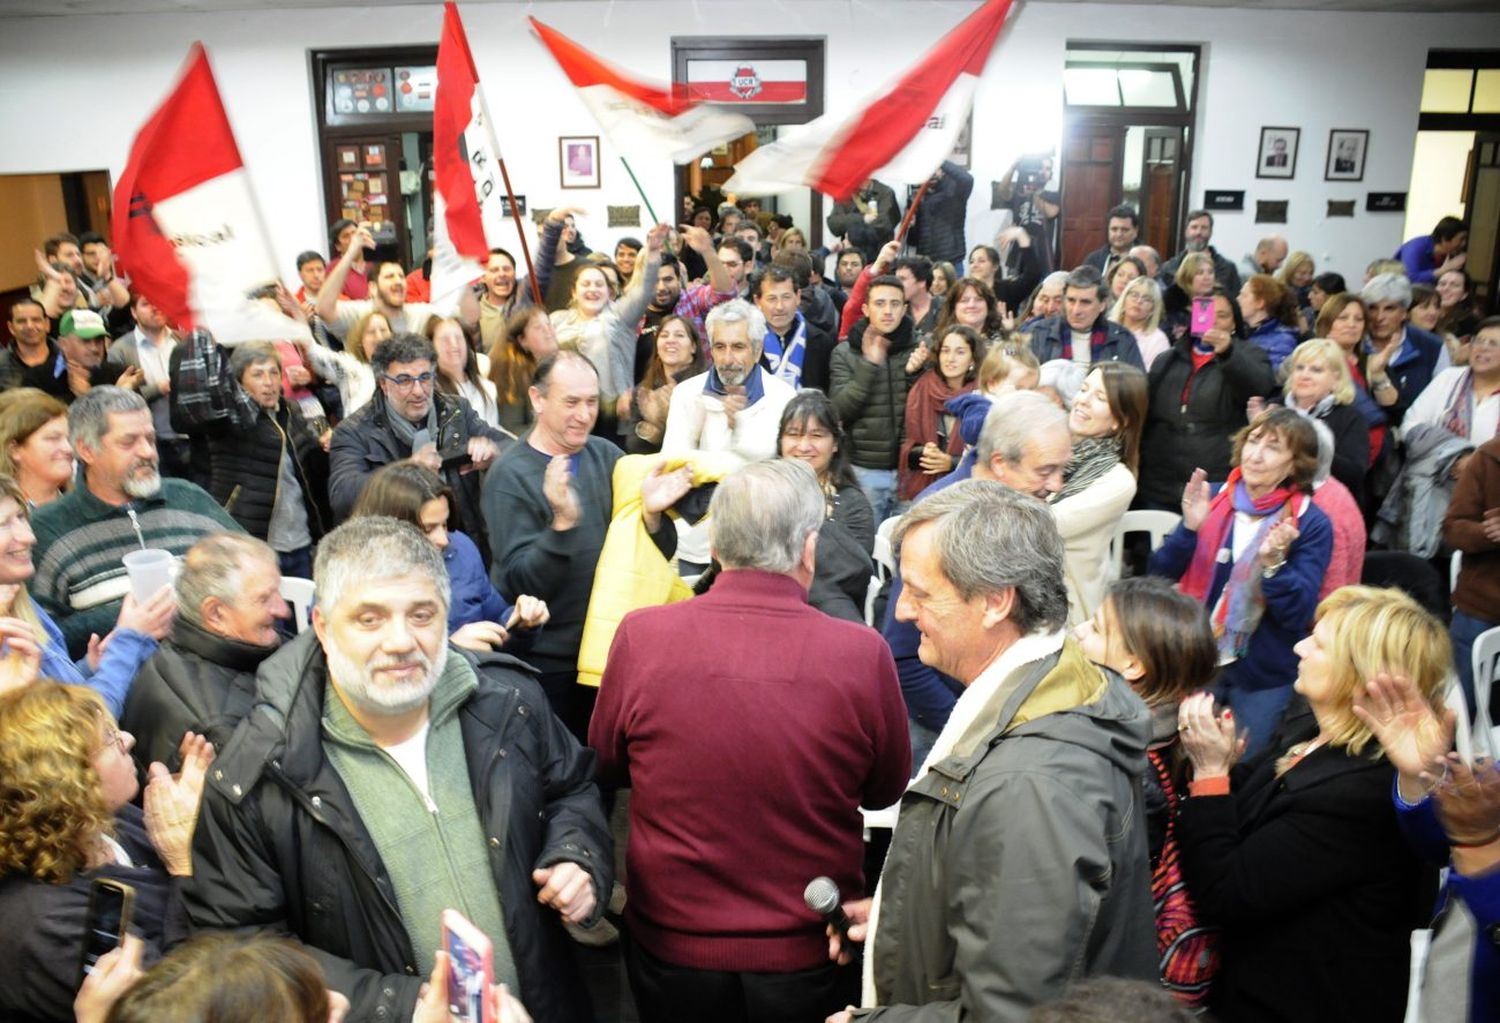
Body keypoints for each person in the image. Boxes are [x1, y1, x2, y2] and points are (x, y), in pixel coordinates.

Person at [181, 517, 611, 1023]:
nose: (402, 640)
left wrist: (576, 856)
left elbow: (572, 787)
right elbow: (242, 947)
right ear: (321, 625)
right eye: (370, 619)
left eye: (422, 615)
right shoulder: (257, 775)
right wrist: (402, 1007)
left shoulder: (509, 702)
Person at [592, 459, 909, 1023]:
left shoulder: (643, 637)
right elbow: (884, 789)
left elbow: (609, 763)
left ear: (715, 544)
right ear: (809, 549)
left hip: (673, 943)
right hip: (807, 946)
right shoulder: (860, 654)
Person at [831, 480, 1156, 1022]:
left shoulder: (1029, 787)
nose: (903, 612)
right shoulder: (1048, 685)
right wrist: (903, 916)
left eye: (919, 591)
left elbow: (1014, 1012)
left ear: (994, 602)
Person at [1174, 585, 1445, 1022]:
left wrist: (1209, 775)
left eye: (1318, 643)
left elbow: (1226, 891)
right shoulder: (1315, 733)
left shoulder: (1358, 792)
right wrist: (1222, 765)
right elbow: (1253, 800)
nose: (1300, 646)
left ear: (1358, 674)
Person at [482, 351, 690, 740]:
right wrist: (561, 524)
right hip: (552, 665)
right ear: (537, 399)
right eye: (571, 402)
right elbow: (520, 584)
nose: (584, 415)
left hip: (612, 653)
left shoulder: (608, 456)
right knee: (565, 776)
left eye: (592, 402)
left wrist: (651, 516)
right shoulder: (510, 476)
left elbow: (656, 553)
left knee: (609, 768)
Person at [881, 392, 1073, 793]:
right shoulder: (940, 524)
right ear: (1000, 463)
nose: (1056, 485)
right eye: (1045, 470)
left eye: (1062, 470)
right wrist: (973, 730)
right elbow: (902, 656)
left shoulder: (1017, 508)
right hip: (943, 730)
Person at [0, 683, 211, 1022]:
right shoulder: (44, 926)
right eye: (110, 740)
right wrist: (183, 862)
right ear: (70, 782)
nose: (127, 739)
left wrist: (199, 810)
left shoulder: (104, 822)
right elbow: (177, 1004)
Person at [1150, 408, 1333, 754]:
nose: (1256, 454)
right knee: (1180, 755)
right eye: (1253, 440)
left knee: (1243, 761)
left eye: (1273, 447)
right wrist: (1188, 530)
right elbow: (1159, 575)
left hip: (1261, 670)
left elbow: (1297, 613)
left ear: (1295, 464)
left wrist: (1274, 565)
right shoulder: (1215, 497)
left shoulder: (1309, 522)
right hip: (1196, 655)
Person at [1073, 576, 1220, 1006]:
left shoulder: (1127, 767)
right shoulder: (1174, 734)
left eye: (1098, 628)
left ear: (1134, 666)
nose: (1080, 630)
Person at [31, 387, 240, 659]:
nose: (147, 452)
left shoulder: (189, 499)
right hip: (120, 691)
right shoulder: (48, 530)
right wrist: (126, 616)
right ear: (86, 450)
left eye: (150, 439)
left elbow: (255, 570)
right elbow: (43, 640)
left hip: (218, 671)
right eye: (128, 442)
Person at [328, 333, 507, 556]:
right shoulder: (354, 431)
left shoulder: (456, 411)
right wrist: (407, 470)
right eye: (404, 380)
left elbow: (512, 448)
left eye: (425, 377)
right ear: (383, 383)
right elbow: (342, 495)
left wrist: (493, 452)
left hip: (462, 545)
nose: (419, 391)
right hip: (395, 555)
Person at [120, 532, 288, 770]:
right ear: (216, 613)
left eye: (278, 592)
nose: (283, 609)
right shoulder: (221, 728)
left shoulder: (170, 652)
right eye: (264, 599)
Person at [171, 336, 331, 579]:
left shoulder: (291, 410)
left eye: (274, 373)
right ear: (239, 382)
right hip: (253, 545)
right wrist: (200, 337)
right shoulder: (230, 418)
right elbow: (195, 407)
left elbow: (307, 469)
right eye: (257, 375)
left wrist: (327, 446)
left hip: (300, 541)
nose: (268, 383)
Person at [351, 460, 549, 655]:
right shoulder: (355, 578)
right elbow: (364, 666)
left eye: (445, 524)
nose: (443, 539)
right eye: (428, 529)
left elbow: (494, 616)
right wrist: (450, 651)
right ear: (387, 530)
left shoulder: (461, 548)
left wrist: (520, 622)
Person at [660, 300, 797, 572]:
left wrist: (740, 427)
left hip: (761, 545)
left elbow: (779, 475)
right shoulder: (688, 394)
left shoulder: (783, 397)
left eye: (738, 347)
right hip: (695, 545)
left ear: (757, 350)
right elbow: (672, 465)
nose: (727, 359)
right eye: (720, 347)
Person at [1137, 287, 1276, 512]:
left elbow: (1258, 388)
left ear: (1234, 323)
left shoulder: (1250, 354)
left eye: (1223, 316)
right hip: (1159, 482)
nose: (1214, 321)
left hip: (1212, 482)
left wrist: (1228, 353)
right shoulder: (1168, 358)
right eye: (1208, 313)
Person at [1052, 363, 1148, 625]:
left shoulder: (1118, 481)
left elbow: (1045, 524)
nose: (1083, 401)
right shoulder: (1053, 450)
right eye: (1084, 389)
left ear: (1121, 420)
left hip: (1066, 611)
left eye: (1100, 397)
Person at [551, 224, 666, 437]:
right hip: (568, 410)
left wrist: (651, 252)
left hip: (611, 413)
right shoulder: (558, 321)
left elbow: (644, 289)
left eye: (599, 284)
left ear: (609, 292)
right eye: (586, 284)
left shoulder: (620, 316)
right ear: (574, 292)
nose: (593, 289)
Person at [777, 391, 876, 623]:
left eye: (816, 435)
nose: (803, 446)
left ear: (835, 444)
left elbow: (854, 574)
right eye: (793, 435)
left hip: (829, 617)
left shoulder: (853, 504)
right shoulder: (761, 494)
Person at [830, 271, 920, 522]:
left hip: (910, 472)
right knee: (865, 548)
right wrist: (869, 365)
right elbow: (839, 410)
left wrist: (917, 371)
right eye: (880, 304)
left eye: (894, 304)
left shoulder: (920, 349)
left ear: (905, 309)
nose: (888, 311)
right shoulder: (844, 352)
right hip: (864, 470)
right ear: (866, 309)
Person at [1269, 338, 1371, 497]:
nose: (1305, 375)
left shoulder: (1351, 417)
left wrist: (1313, 442)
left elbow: (1354, 475)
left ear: (1335, 379)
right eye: (1299, 367)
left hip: (1326, 503)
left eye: (1316, 370)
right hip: (1273, 499)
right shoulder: (1274, 409)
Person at [1444, 433, 1500, 715]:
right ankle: (1449, 753)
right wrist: (1487, 534)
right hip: (1483, 604)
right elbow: (1452, 529)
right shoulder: (1488, 457)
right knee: (1457, 708)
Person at [315, 224, 445, 338]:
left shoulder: (418, 314)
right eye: (389, 277)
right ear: (372, 288)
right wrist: (351, 252)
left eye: (401, 276)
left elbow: (458, 312)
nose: (398, 281)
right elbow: (323, 308)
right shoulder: (359, 314)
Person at [108, 293, 188, 478]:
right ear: (134, 312)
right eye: (146, 304)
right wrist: (158, 389)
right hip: (152, 443)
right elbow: (117, 400)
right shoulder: (120, 350)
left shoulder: (182, 340)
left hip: (190, 439)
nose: (155, 307)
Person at [898, 324, 979, 501]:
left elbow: (988, 453)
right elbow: (904, 443)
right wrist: (923, 453)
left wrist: (952, 463)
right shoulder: (922, 388)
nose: (950, 358)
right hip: (923, 491)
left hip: (967, 494)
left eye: (960, 352)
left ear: (972, 359)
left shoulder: (982, 396)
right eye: (945, 351)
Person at [1361, 272, 1446, 426]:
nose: (1379, 317)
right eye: (1372, 308)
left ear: (1404, 313)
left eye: (1389, 308)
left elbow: (1442, 403)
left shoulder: (1433, 347)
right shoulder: (1354, 344)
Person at [1405, 314, 1500, 449]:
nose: (1483, 348)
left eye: (1493, 343)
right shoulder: (1448, 377)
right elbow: (1411, 424)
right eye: (1479, 341)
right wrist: (1454, 454)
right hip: (1436, 465)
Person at [1029, 266, 1145, 369]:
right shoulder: (1039, 333)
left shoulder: (1122, 339)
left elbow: (1136, 387)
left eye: (1085, 302)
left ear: (1102, 305)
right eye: (1071, 300)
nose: (1076, 310)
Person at [627, 314, 706, 455]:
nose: (670, 340)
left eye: (679, 335)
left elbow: (706, 442)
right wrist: (653, 429)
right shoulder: (644, 390)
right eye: (664, 336)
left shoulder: (705, 386)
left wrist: (667, 419)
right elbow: (632, 446)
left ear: (693, 347)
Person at [754, 264, 833, 390]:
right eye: (772, 299)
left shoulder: (821, 341)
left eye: (786, 297)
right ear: (758, 301)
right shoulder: (747, 341)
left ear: (798, 297)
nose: (779, 307)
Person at [301, 306, 389, 417]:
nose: (379, 337)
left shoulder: (405, 368)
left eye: (383, 330)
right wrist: (298, 315)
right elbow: (313, 350)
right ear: (361, 342)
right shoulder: (350, 366)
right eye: (371, 332)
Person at [490, 305, 559, 436]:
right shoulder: (512, 374)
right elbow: (512, 428)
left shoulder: (560, 364)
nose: (548, 330)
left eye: (549, 324)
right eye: (538, 327)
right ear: (522, 340)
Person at [0, 389, 73, 507]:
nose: (68, 448)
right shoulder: (6, 515)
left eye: (69, 438)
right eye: (53, 438)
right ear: (14, 449)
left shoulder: (88, 501)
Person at [429, 316, 502, 430]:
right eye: (445, 340)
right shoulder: (430, 395)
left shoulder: (488, 388)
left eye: (458, 338)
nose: (454, 345)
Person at [908, 160, 974, 268]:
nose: (932, 173)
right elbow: (914, 241)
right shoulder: (920, 196)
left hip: (951, 261)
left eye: (935, 169)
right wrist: (912, 226)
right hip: (927, 263)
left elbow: (968, 179)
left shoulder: (955, 191)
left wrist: (938, 159)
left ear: (943, 171)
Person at [1159, 210, 1241, 296]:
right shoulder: (1168, 268)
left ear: (1211, 232)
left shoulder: (1228, 269)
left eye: (1204, 228)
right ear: (1186, 231)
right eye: (1194, 227)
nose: (1198, 232)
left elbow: (1236, 304)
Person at [826, 178, 900, 264]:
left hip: (878, 257)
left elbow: (883, 225)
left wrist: (851, 235)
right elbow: (834, 224)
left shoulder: (885, 193)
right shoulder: (845, 193)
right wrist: (863, 219)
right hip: (849, 259)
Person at [1237, 274, 1300, 372]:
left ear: (1260, 303)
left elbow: (1272, 378)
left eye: (1243, 295)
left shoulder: (1283, 341)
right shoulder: (1241, 331)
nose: (1237, 299)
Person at [1160, 251, 1222, 345]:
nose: (1207, 277)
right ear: (1187, 277)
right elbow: (1162, 333)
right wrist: (1176, 336)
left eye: (1210, 272)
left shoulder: (1222, 303)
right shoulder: (1171, 302)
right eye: (1200, 273)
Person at [1108, 275, 1169, 370]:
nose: (1139, 301)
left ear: (1153, 309)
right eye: (1134, 295)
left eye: (1146, 299)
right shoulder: (1107, 326)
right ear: (1124, 299)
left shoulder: (1158, 340)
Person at [1395, 215, 1468, 285]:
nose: (1464, 244)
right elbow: (1410, 278)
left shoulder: (1448, 255)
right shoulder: (1415, 247)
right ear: (1445, 238)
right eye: (1461, 239)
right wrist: (1444, 270)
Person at [1081, 203, 1140, 279]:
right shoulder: (1093, 260)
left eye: (1125, 230)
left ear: (1135, 231)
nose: (1119, 234)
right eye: (1114, 229)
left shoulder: (1146, 258)